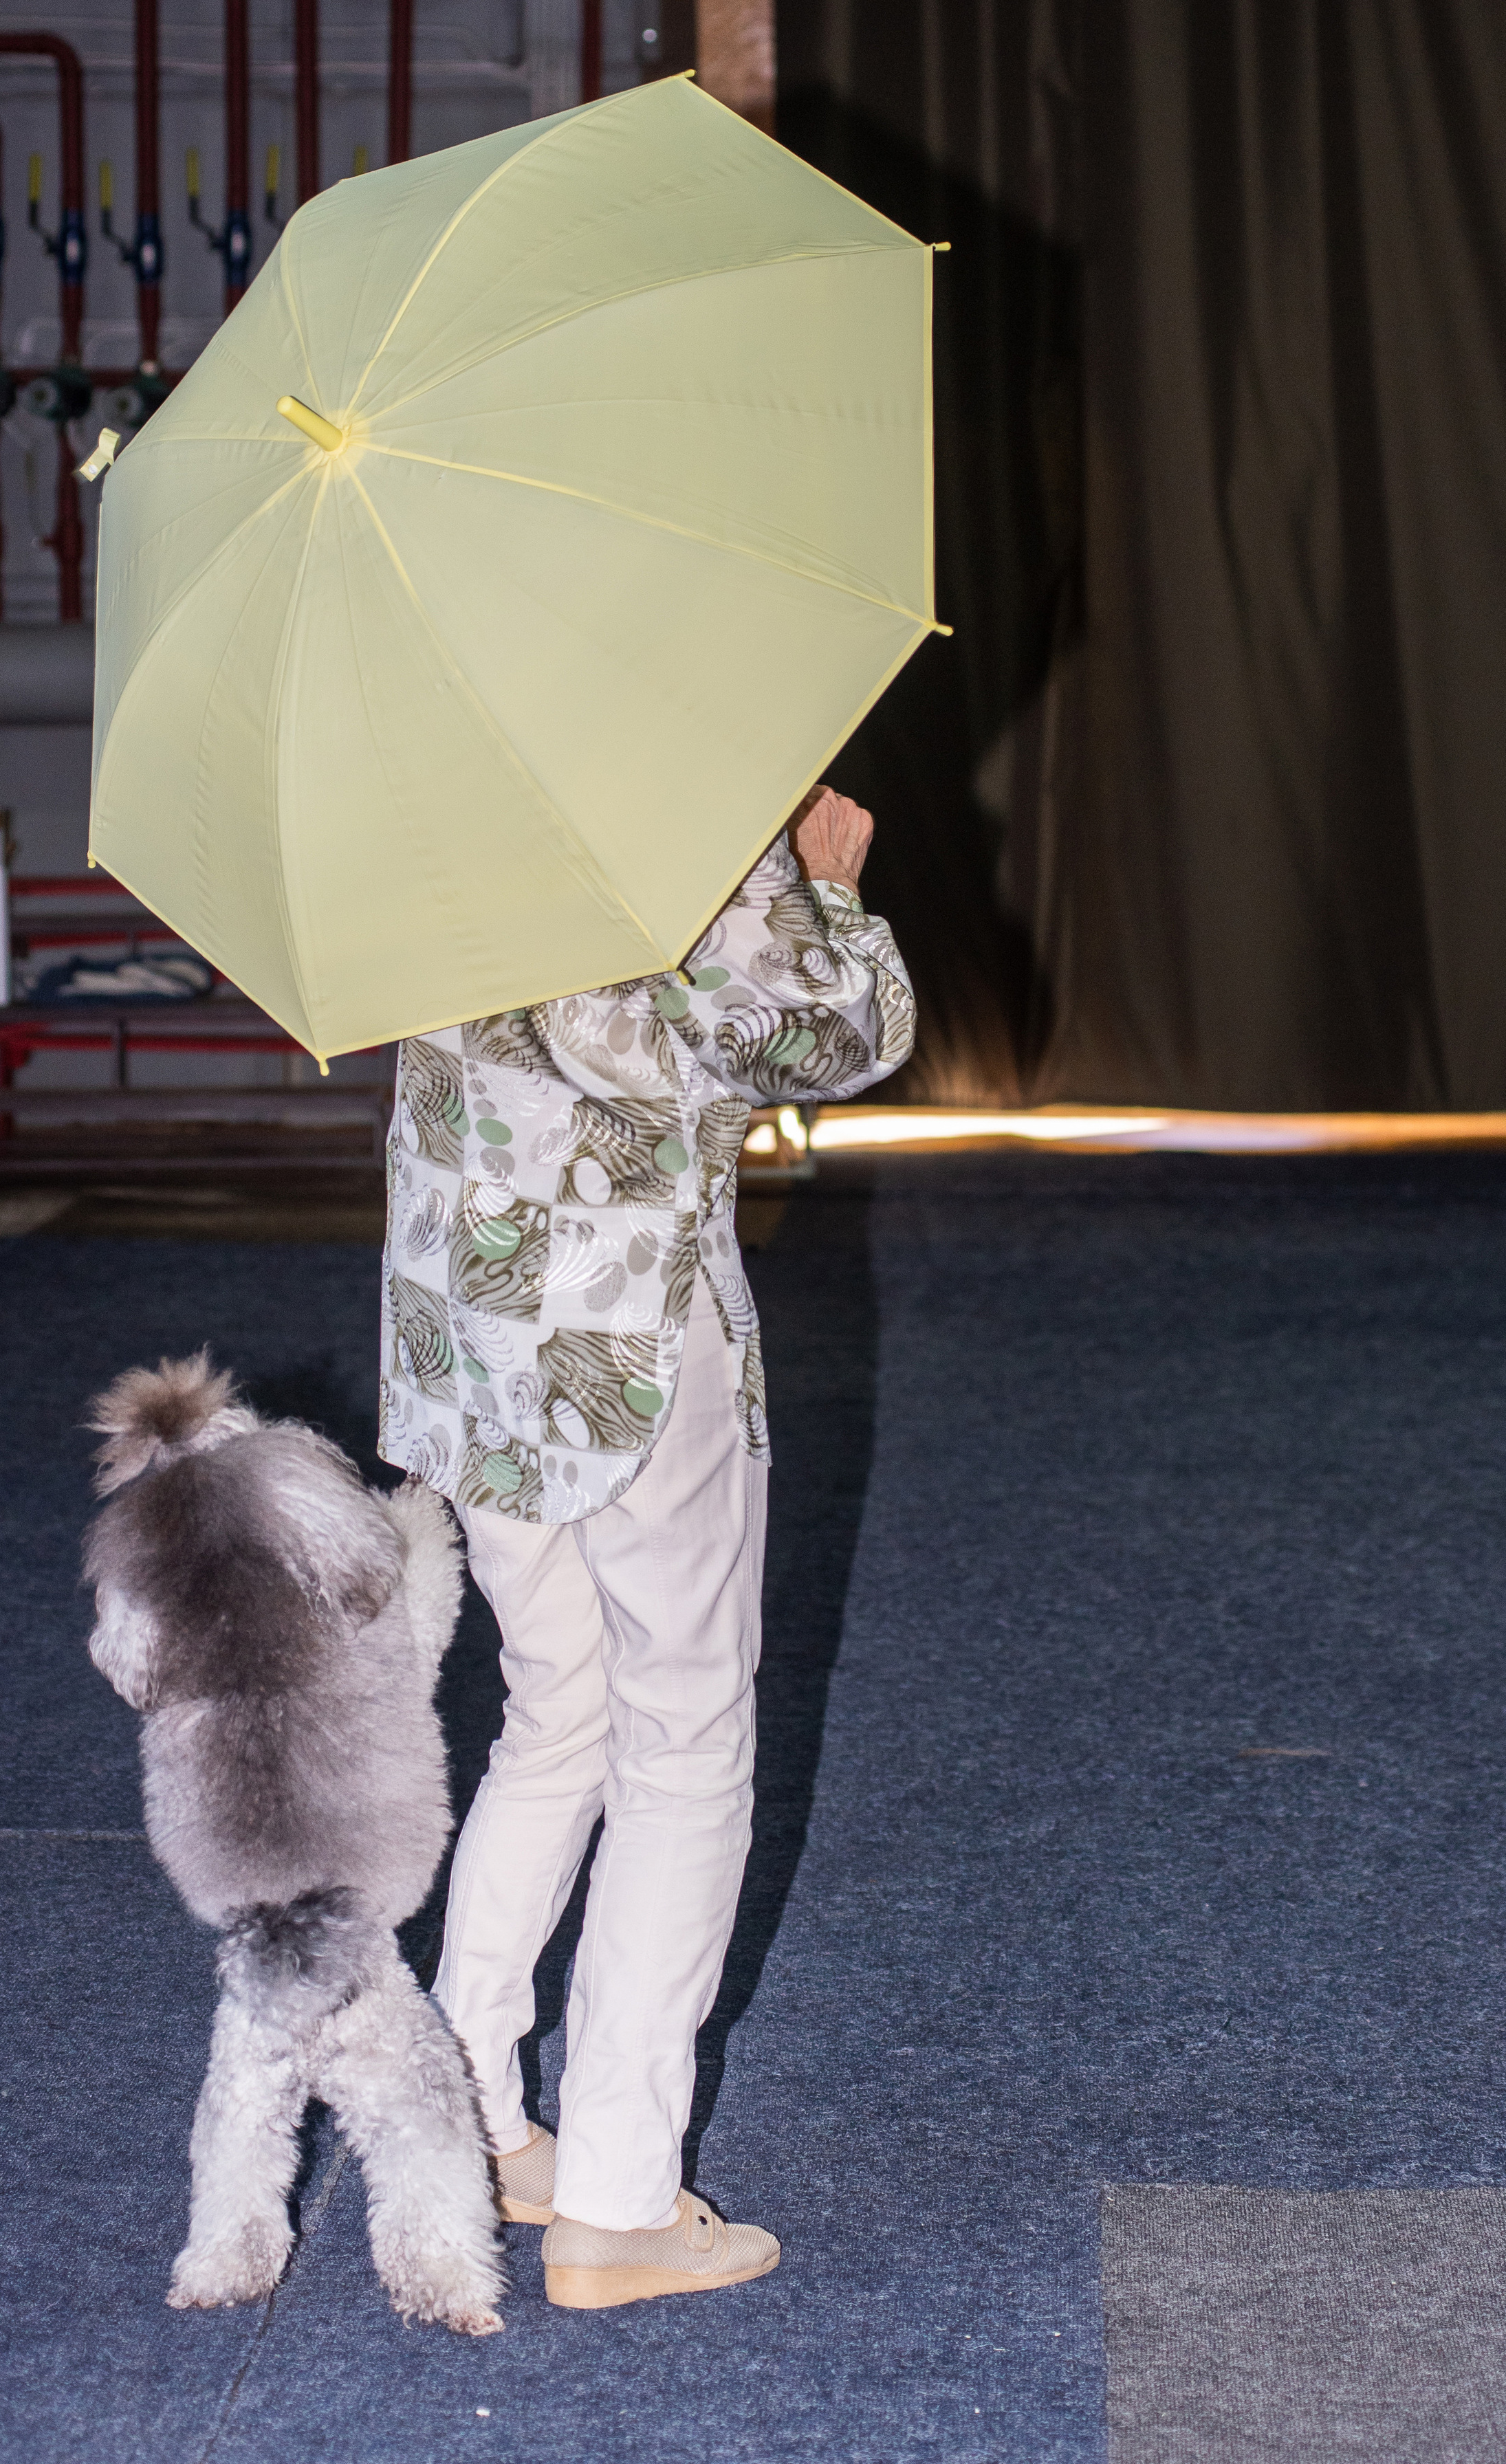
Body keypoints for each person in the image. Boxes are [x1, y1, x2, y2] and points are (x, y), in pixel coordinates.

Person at [378, 786, 915, 2308]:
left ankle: (472, 2121)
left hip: (465, 1329)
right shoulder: (671, 791)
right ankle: (616, 2198)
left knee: (552, 1712)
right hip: (617, 1337)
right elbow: (836, 1036)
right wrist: (824, 889)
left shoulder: (419, 800)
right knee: (681, 1742)